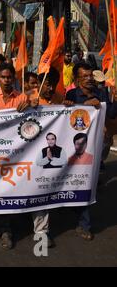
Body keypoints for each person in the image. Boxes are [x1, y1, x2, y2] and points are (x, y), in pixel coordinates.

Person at [0, 63, 34, 250]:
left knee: (9, 186)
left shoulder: (22, 97)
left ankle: (6, 228)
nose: (6, 81)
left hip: (16, 151)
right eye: (3, 77)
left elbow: (34, 114)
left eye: (9, 77)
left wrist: (30, 104)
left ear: (14, 78)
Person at [64, 62, 117, 241]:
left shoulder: (101, 93)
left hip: (93, 147)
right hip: (74, 148)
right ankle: (73, 207)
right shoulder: (71, 94)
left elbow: (110, 113)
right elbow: (68, 115)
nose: (88, 80)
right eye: (84, 76)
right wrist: (78, 105)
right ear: (77, 79)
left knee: (87, 183)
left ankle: (84, 224)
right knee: (74, 181)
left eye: (90, 76)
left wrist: (113, 100)